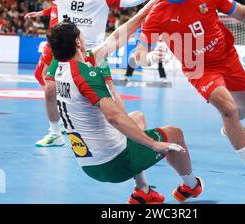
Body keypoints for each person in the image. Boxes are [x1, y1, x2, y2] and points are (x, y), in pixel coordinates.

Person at [96, 0, 245, 197]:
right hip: (199, 68)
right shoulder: (158, 13)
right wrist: (149, 58)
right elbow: (138, 54)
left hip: (228, 57)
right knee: (229, 110)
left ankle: (232, 130)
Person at [0, 0, 160, 147]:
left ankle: (130, 133)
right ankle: (55, 133)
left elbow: (126, 0)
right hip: (65, 52)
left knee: (111, 96)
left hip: (94, 52)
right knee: (50, 89)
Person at [47, 19, 204, 204]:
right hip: (113, 163)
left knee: (136, 118)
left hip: (87, 164)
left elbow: (116, 37)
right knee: (175, 134)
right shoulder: (85, 74)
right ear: (78, 42)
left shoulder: (59, 69)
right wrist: (153, 143)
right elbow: (115, 116)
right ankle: (191, 186)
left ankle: (142, 190)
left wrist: (149, 5)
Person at [22, 0, 76, 135]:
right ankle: (60, 103)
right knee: (41, 75)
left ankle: (60, 113)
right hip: (52, 36)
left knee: (47, 78)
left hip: (60, 38)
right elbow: (55, 8)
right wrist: (41, 12)